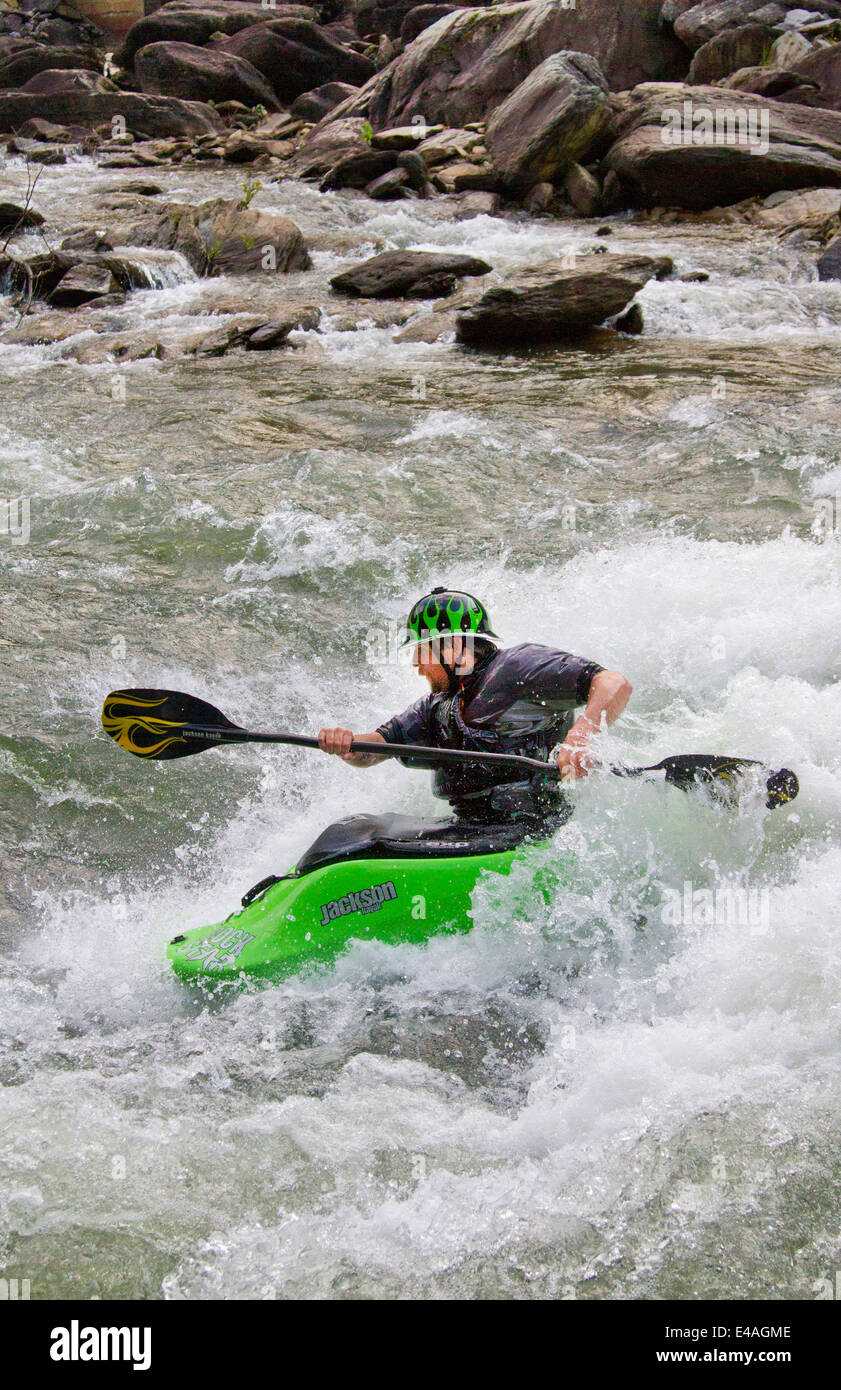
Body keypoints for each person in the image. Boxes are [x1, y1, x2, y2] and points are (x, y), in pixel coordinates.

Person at [318, 587, 632, 832]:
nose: (416, 664)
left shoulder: (517, 668)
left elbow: (612, 683)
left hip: (532, 829)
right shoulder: (437, 707)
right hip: (472, 830)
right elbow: (374, 749)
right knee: (352, 832)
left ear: (450, 648)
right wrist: (345, 744)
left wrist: (580, 739)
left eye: (421, 651)